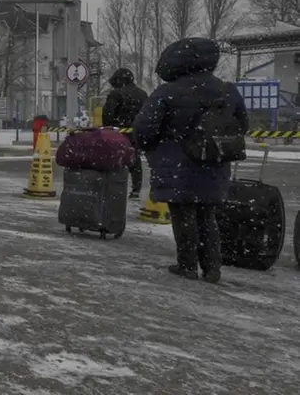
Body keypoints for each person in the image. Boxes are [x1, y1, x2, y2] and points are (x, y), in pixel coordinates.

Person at [133, 38, 247, 284]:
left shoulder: (167, 92)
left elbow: (144, 128)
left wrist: (153, 147)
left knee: (183, 214)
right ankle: (212, 268)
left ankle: (187, 265)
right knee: (208, 215)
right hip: (214, 163)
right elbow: (242, 126)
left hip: (177, 165)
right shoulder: (228, 90)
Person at [102, 67, 149, 199]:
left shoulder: (116, 94)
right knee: (135, 160)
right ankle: (136, 189)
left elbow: (108, 115)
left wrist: (108, 129)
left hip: (119, 133)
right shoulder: (142, 94)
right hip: (136, 132)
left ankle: (116, 187)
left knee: (116, 159)